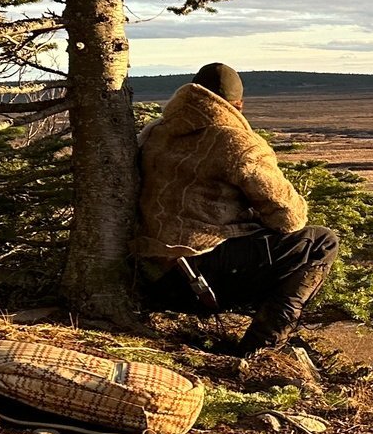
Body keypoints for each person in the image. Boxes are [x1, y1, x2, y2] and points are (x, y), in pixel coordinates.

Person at [136, 63, 340, 355]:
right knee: (321, 242)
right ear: (238, 106)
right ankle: (261, 350)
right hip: (199, 277)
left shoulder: (154, 132)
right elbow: (289, 217)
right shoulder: (237, 142)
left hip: (151, 274)